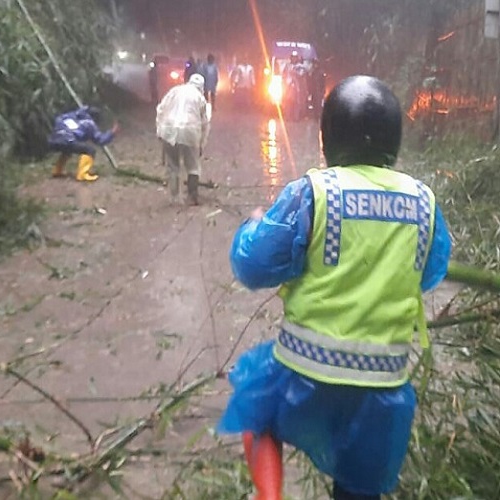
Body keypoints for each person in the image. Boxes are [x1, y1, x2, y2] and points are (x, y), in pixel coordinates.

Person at [217, 76, 452, 500]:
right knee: (359, 488)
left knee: (258, 407)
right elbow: (431, 273)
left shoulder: (314, 192)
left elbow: (252, 267)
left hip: (305, 375)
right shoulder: (424, 201)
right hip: (384, 390)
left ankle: (269, 497)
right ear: (394, 143)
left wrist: (254, 225)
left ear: (327, 140)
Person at [156, 73, 210, 206]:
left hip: (168, 130)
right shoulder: (200, 99)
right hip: (190, 132)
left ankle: (174, 198)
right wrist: (202, 144)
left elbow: (160, 110)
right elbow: (205, 123)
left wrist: (159, 131)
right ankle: (192, 196)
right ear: (201, 87)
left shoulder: (174, 91)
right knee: (193, 166)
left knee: (173, 166)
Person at [47, 105, 118, 182]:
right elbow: (100, 140)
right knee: (90, 150)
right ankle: (82, 175)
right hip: (68, 140)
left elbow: (57, 119)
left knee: (67, 149)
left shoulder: (69, 115)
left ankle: (57, 171)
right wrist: (112, 132)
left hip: (53, 140)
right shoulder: (89, 123)